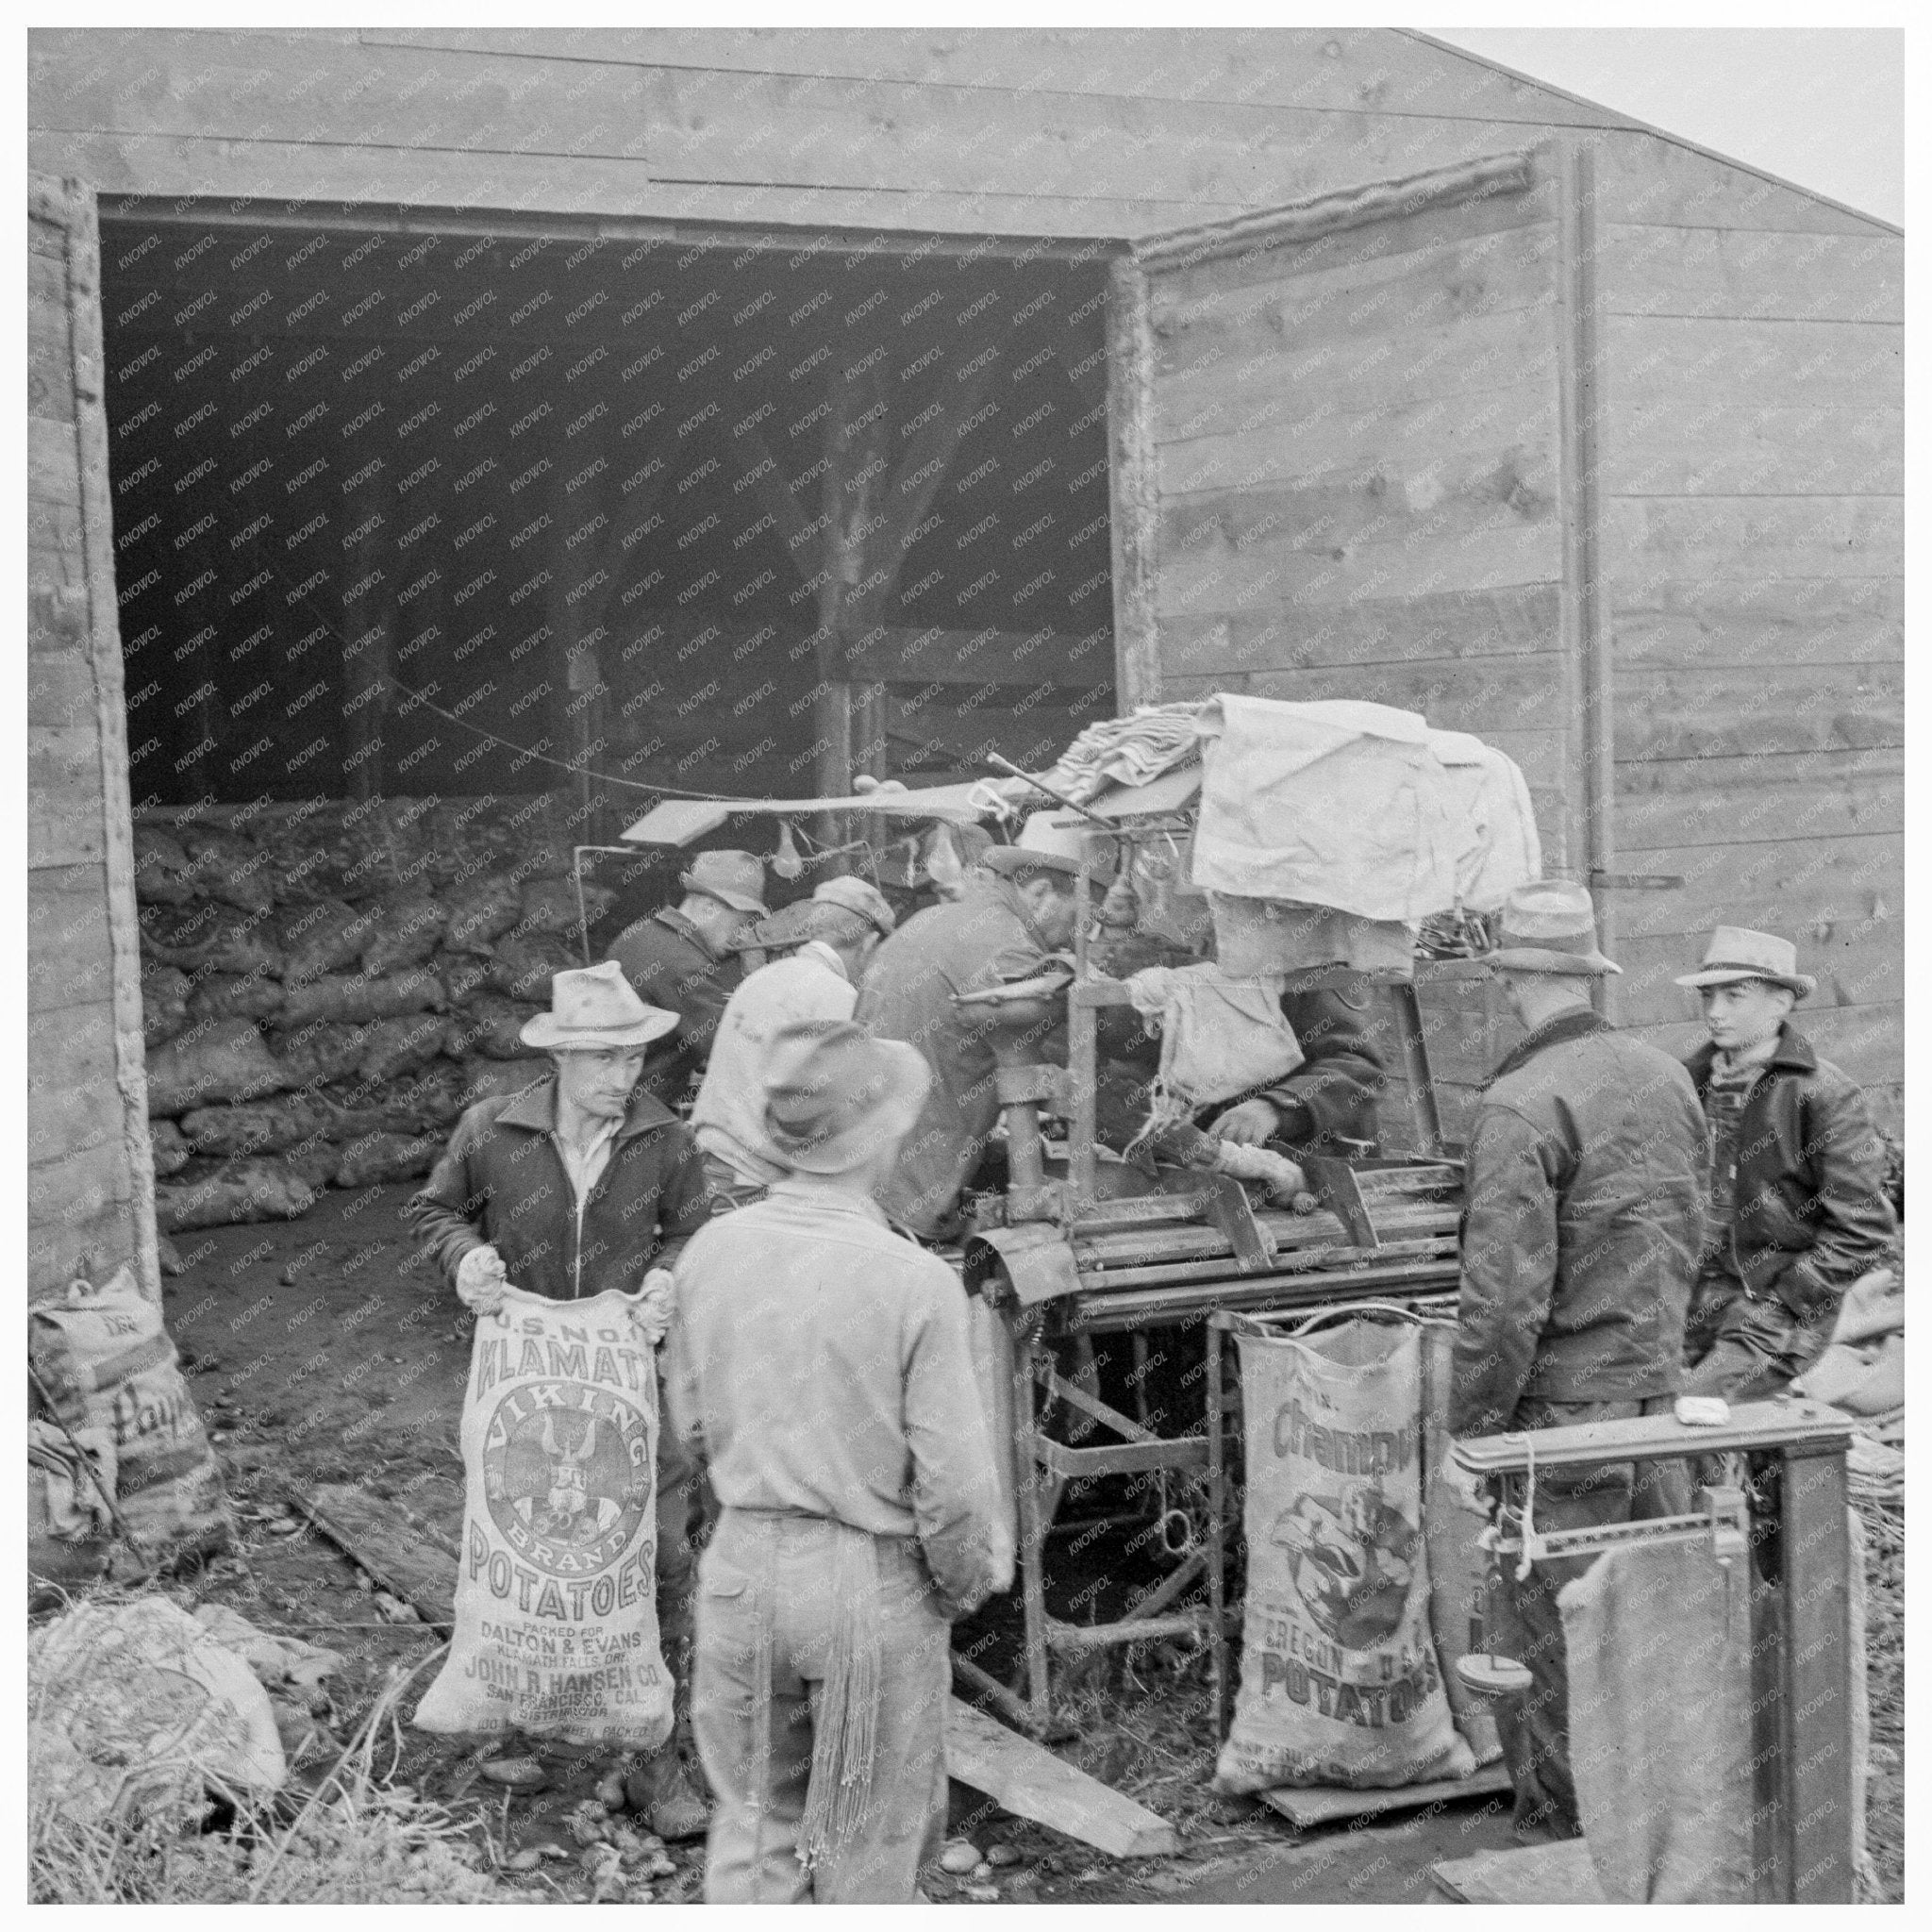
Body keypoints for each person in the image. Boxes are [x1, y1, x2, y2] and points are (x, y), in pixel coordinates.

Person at [665, 1021, 1012, 1902]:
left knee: (753, 1829)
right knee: (863, 1853)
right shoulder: (912, 1281)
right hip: (864, 1585)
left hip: (741, 1567)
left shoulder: (712, 1251)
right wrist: (961, 1586)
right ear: (886, 1133)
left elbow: (692, 1429)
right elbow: (957, 1490)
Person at [405, 961, 718, 1839]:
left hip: (628, 1384)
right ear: (563, 1061)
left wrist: (667, 1275)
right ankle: (524, 1724)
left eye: (635, 1059)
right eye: (608, 1061)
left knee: (657, 1554)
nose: (625, 1077)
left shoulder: (665, 1140)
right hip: (529, 1384)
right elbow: (434, 1212)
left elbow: (695, 1225)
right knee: (526, 1549)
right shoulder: (493, 1131)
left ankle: (654, 1756)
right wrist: (464, 1259)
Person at [1449, 881, 1707, 1844]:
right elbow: (1693, 1232)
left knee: (1553, 1632)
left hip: (1563, 1423)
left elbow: (1501, 1297)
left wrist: (1469, 1434)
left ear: (1511, 978)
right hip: (1659, 1403)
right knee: (1659, 1622)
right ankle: (1665, 1835)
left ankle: (1562, 1846)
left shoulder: (1517, 1102)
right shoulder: (1665, 1074)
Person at [855, 812, 1110, 1238]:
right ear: (1041, 892)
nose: (1081, 935)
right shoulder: (1005, 946)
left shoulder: (927, 922)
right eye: (1083, 916)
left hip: (860, 1174)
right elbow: (1075, 1066)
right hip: (906, 1199)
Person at [1675, 927, 1897, 1400]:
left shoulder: (1822, 1093)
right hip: (1689, 1297)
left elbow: (1864, 1228)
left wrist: (1790, 1298)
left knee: (1693, 1412)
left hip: (1778, 1307)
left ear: (1780, 1004)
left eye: (1734, 997)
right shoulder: (1688, 1081)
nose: (1715, 1013)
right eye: (1708, 997)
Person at [690, 875, 897, 1206]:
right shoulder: (835, 994)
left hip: (709, 1162)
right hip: (752, 1180)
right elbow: (837, 1108)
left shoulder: (762, 978)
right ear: (870, 944)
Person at [608, 849, 768, 1108]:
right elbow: (738, 1052)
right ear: (708, 909)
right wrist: (759, 977)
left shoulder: (640, 934)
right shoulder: (685, 964)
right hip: (638, 1111)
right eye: (741, 925)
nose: (742, 937)